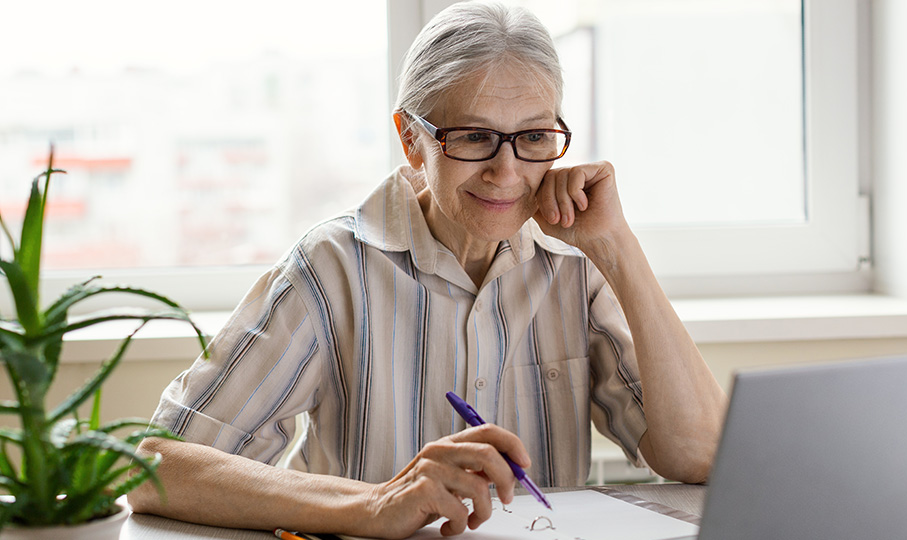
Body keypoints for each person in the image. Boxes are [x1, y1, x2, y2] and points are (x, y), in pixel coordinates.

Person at [129, 2, 726, 538]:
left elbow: (701, 458)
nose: (507, 171)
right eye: (474, 137)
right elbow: (152, 465)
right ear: (412, 140)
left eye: (533, 137)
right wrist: (374, 504)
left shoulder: (576, 262)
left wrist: (617, 246)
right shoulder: (333, 266)